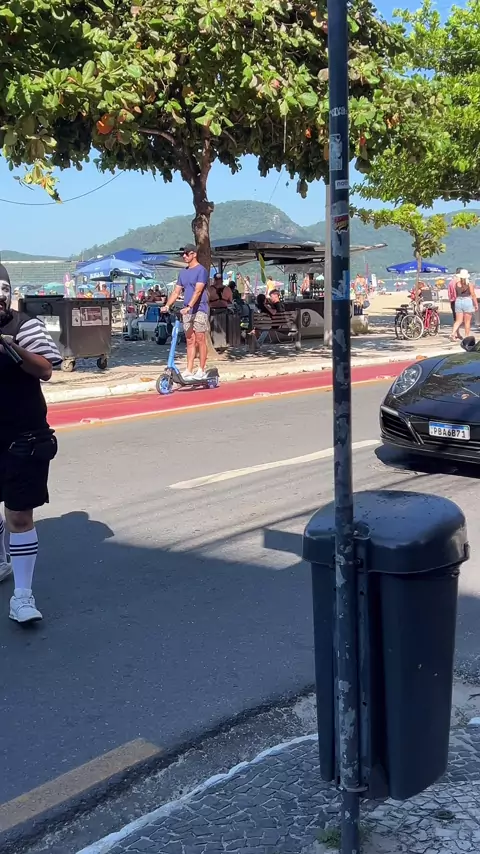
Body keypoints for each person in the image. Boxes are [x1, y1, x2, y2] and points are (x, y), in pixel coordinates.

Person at [0, 264, 61, 623]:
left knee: (20, 515)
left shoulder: (24, 326)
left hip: (23, 436)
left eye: (1, 294)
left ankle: (22, 596)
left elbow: (46, 369)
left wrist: (12, 348)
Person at [162, 244, 209, 380]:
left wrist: (189, 306)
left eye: (187, 253)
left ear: (194, 254)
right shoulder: (183, 272)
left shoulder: (201, 270)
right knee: (190, 340)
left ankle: (201, 369)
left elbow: (198, 291)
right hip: (187, 311)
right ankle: (189, 369)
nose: (184, 256)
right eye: (183, 253)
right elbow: (176, 291)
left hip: (200, 309)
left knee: (200, 338)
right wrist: (167, 305)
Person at [451, 269, 478, 341]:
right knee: (467, 321)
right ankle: (466, 336)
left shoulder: (457, 284)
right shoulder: (469, 284)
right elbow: (473, 294)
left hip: (458, 301)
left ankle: (453, 334)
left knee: (458, 320)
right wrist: (476, 304)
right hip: (467, 301)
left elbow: (455, 293)